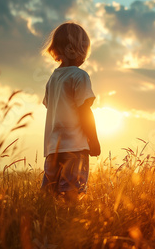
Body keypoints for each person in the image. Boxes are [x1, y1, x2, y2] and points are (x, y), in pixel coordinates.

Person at [41, 22, 100, 201]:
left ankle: (46, 226)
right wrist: (94, 140)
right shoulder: (79, 75)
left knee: (50, 196)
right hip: (75, 147)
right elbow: (84, 111)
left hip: (53, 149)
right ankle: (67, 226)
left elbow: (49, 105)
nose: (85, 57)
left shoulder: (53, 78)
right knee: (71, 196)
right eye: (83, 50)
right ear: (71, 49)